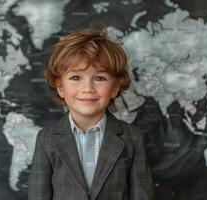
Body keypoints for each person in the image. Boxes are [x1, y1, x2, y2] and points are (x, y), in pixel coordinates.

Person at [28, 23, 154, 200]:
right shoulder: (46, 138)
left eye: (100, 78)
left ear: (115, 88)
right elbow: (38, 196)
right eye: (76, 77)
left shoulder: (133, 139)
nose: (88, 88)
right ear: (60, 87)